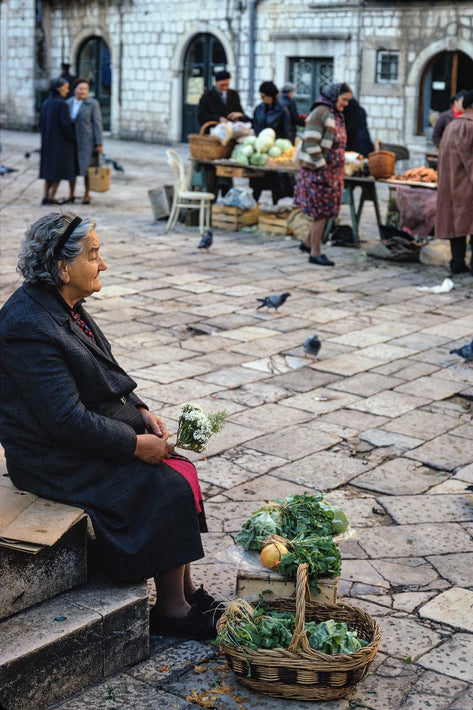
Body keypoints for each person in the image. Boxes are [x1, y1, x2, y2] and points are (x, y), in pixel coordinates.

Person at [0, 213, 222, 640]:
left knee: (182, 471)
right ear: (62, 267)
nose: (102, 264)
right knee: (166, 486)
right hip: (51, 458)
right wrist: (136, 446)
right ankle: (172, 611)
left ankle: (186, 591)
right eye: (94, 255)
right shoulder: (28, 325)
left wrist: (139, 411)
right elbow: (64, 420)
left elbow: (103, 375)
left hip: (76, 438)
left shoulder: (63, 306)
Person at [294, 82, 353, 266]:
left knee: (326, 211)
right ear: (334, 97)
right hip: (318, 172)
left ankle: (307, 243)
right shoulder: (320, 112)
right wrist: (323, 166)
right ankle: (315, 253)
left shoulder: (335, 114)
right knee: (320, 212)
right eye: (344, 99)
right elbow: (311, 142)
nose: (346, 104)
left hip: (331, 173)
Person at [435, 88, 473, 275]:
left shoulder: (452, 126)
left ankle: (457, 263)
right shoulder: (470, 127)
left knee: (457, 227)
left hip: (451, 185)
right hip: (467, 186)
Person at [251, 81, 291, 204]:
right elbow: (255, 124)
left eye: (263, 96)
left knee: (275, 186)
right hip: (261, 152)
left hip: (274, 153)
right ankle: (254, 208)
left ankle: (275, 209)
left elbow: (287, 132)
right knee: (257, 183)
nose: (262, 99)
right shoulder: (259, 108)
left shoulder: (282, 111)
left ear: (270, 96)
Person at [66, 78, 104, 204]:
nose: (83, 91)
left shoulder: (92, 104)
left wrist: (99, 143)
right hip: (71, 140)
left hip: (87, 141)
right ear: (75, 89)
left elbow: (97, 124)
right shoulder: (68, 103)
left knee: (87, 169)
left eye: (86, 89)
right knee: (72, 167)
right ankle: (71, 193)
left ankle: (86, 194)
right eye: (81, 89)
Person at [39, 77, 76, 205]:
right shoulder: (62, 104)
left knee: (50, 171)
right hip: (60, 143)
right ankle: (52, 196)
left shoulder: (46, 103)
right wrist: (73, 137)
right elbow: (65, 125)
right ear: (59, 88)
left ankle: (45, 196)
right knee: (58, 171)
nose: (67, 90)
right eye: (65, 87)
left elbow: (41, 123)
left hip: (48, 142)